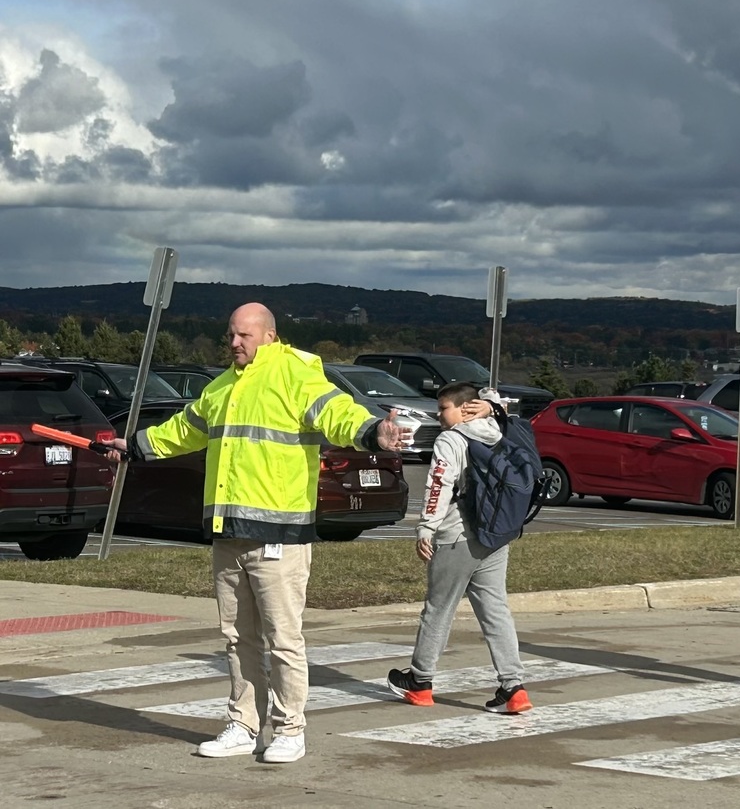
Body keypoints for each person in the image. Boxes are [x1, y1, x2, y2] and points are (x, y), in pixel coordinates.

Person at [107, 302, 410, 762]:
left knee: (283, 638)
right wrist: (134, 447)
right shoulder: (223, 386)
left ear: (269, 335)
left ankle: (290, 730)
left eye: (244, 336)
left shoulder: (296, 374)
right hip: (229, 532)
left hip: (280, 537)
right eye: (230, 335)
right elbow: (185, 429)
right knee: (236, 638)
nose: (234, 344)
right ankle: (244, 725)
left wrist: (373, 433)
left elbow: (338, 414)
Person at [387, 382, 533, 714]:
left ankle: (420, 682)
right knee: (495, 611)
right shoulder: (496, 431)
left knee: (438, 609)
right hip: (494, 536)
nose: (439, 416)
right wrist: (492, 406)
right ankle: (513, 688)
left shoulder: (451, 440)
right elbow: (501, 406)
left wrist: (426, 528)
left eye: (443, 409)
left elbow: (439, 484)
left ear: (464, 408)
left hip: (456, 536)